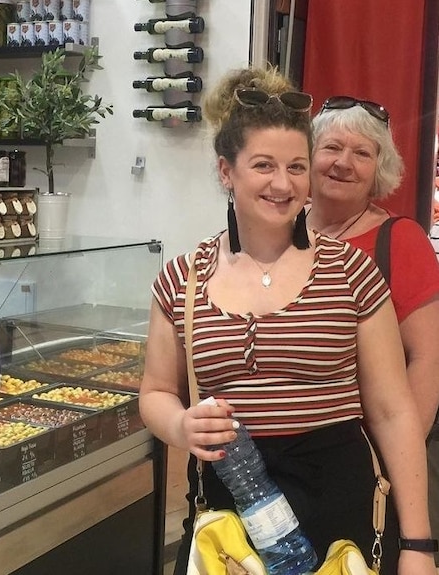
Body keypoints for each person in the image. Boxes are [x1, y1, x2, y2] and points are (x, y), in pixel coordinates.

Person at [139, 67, 435, 575]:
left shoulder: (352, 271)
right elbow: (156, 391)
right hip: (229, 512)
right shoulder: (181, 280)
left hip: (340, 514)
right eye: (263, 165)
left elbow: (392, 411)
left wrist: (418, 545)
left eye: (297, 166)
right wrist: (181, 425)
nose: (283, 183)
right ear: (226, 171)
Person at [306, 96, 439, 566]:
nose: (343, 162)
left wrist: (388, 463)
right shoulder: (276, 233)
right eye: (332, 147)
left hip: (368, 472)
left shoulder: (400, 241)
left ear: (379, 168)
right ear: (308, 154)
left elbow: (426, 359)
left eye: (362, 153)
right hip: (286, 468)